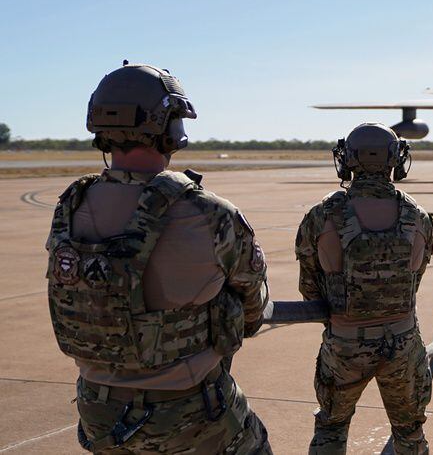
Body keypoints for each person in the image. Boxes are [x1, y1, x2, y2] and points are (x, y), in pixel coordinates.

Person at [46, 62, 271, 453]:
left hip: (99, 413)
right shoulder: (210, 214)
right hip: (190, 412)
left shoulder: (69, 208)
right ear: (166, 128)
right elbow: (253, 306)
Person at [295, 123, 433, 455]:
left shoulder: (321, 214)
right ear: (395, 160)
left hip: (344, 345)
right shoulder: (417, 215)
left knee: (331, 427)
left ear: (349, 160)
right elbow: (416, 279)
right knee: (409, 432)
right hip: (402, 342)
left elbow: (310, 287)